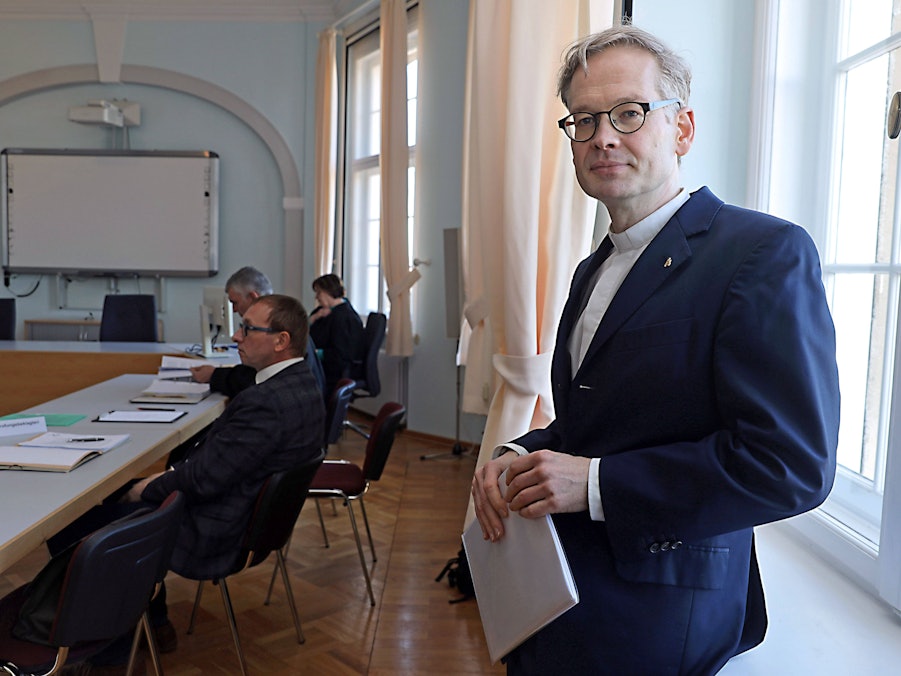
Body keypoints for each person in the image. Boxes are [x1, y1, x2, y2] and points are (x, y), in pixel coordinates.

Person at [470, 24, 840, 675]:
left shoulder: (761, 253)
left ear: (682, 129)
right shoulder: (591, 269)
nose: (603, 137)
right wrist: (519, 454)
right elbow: (600, 425)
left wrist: (594, 484)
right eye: (584, 120)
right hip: (555, 593)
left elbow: (790, 465)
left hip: (659, 611)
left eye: (629, 112)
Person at [47, 294, 325, 672]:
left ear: (281, 341)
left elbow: (204, 480)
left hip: (218, 527)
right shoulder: (300, 383)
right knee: (113, 501)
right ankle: (152, 621)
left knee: (74, 525)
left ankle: (110, 654)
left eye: (247, 329)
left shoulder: (266, 401)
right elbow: (215, 468)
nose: (236, 336)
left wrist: (143, 488)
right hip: (245, 515)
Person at [190, 265, 273, 397]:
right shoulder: (278, 320)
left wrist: (214, 376)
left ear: (253, 298)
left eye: (235, 303)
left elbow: (253, 380)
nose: (233, 310)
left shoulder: (271, 330)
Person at [308, 274, 365, 396]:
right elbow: (303, 331)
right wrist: (314, 318)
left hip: (331, 370)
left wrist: (316, 353)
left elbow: (342, 355)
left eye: (319, 292)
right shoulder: (321, 311)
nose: (316, 297)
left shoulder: (346, 318)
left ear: (329, 292)